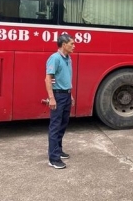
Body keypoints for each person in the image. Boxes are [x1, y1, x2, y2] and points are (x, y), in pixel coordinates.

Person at [45, 34, 75, 169]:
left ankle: (58, 149)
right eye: (71, 44)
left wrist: (70, 94)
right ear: (64, 45)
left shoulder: (69, 58)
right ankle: (53, 158)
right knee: (55, 126)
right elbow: (48, 79)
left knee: (63, 124)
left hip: (66, 95)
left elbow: (66, 78)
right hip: (58, 96)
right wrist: (51, 97)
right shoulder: (55, 58)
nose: (74, 46)